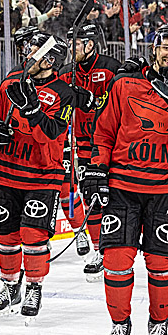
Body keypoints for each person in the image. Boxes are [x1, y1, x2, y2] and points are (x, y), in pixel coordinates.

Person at [91, 24, 168, 335]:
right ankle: (119, 323)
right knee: (115, 261)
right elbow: (104, 131)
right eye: (166, 47)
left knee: (161, 263)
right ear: (154, 48)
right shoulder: (125, 83)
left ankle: (159, 322)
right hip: (123, 188)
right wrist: (97, 169)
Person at [0, 33, 74, 320]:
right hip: (7, 173)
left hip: (42, 175)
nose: (29, 55)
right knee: (6, 235)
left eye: (35, 51)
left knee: (33, 235)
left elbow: (52, 133)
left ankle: (34, 287)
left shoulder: (64, 92)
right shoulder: (11, 82)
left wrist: (32, 109)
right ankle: (10, 286)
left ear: (50, 59)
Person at [59, 23, 121, 281]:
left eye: (77, 44)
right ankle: (99, 251)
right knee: (91, 196)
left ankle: (118, 247)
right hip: (84, 144)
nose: (72, 49)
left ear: (90, 44)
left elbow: (120, 101)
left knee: (115, 199)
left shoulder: (110, 67)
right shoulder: (65, 73)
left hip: (112, 142)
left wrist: (94, 101)